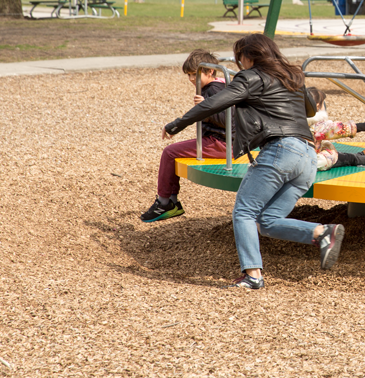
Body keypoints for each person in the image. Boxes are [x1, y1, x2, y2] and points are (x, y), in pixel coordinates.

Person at [162, 34, 345, 289]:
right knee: (267, 221)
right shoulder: (292, 76)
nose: (239, 64)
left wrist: (176, 124)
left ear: (250, 56)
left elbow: (216, 102)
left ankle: (253, 275)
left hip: (281, 150)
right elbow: (310, 111)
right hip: (307, 157)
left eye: (240, 58)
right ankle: (321, 233)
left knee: (244, 212)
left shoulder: (251, 77)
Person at [141, 50, 230, 222]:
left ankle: (164, 202)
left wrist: (206, 108)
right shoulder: (222, 86)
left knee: (169, 152)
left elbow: (229, 121)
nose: (191, 79)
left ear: (210, 71)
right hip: (222, 141)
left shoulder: (214, 91)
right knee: (173, 153)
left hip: (222, 144)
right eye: (188, 75)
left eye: (194, 75)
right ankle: (170, 201)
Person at [306, 88, 365, 170]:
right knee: (347, 158)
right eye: (323, 104)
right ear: (317, 106)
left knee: (332, 149)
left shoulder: (300, 120)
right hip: (314, 161)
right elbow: (342, 129)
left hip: (305, 156)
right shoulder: (317, 125)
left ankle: (364, 153)